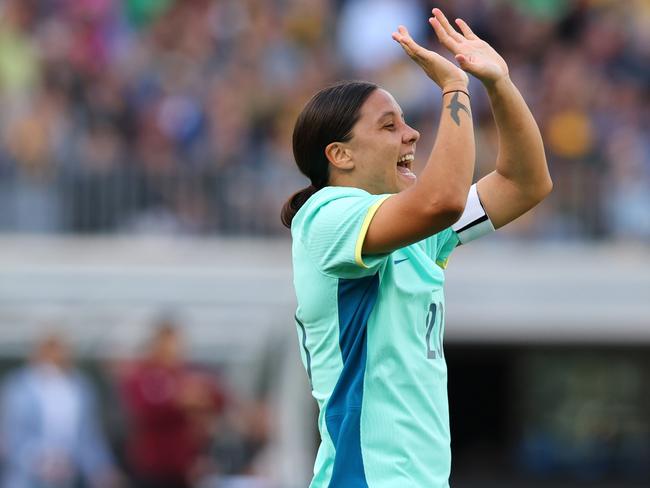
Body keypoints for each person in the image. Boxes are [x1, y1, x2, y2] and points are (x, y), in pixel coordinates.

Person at [281, 8, 552, 488]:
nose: (411, 134)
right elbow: (445, 199)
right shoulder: (326, 215)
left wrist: (499, 83)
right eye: (389, 126)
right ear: (339, 155)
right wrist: (454, 87)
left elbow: (524, 182)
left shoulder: (413, 231)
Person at [0, 333, 120, 488]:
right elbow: (12, 433)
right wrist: (40, 460)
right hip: (27, 476)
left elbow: (88, 435)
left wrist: (101, 467)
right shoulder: (18, 386)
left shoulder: (80, 387)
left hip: (67, 473)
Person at [118, 320, 226, 488]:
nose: (174, 349)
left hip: (184, 466)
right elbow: (145, 411)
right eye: (169, 343)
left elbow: (219, 398)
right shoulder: (142, 374)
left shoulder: (187, 373)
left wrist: (199, 400)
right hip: (152, 466)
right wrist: (180, 401)